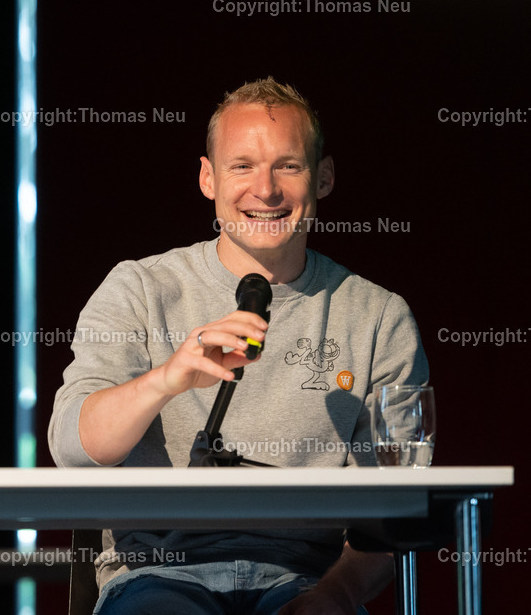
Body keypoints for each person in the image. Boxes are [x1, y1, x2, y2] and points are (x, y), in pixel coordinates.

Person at [49, 77, 428, 614]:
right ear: (208, 178)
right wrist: (167, 379)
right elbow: (73, 448)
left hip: (305, 581)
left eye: (288, 166)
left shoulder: (378, 317)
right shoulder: (139, 287)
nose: (265, 190)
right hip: (157, 577)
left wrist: (336, 594)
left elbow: (396, 503)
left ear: (323, 177)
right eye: (242, 166)